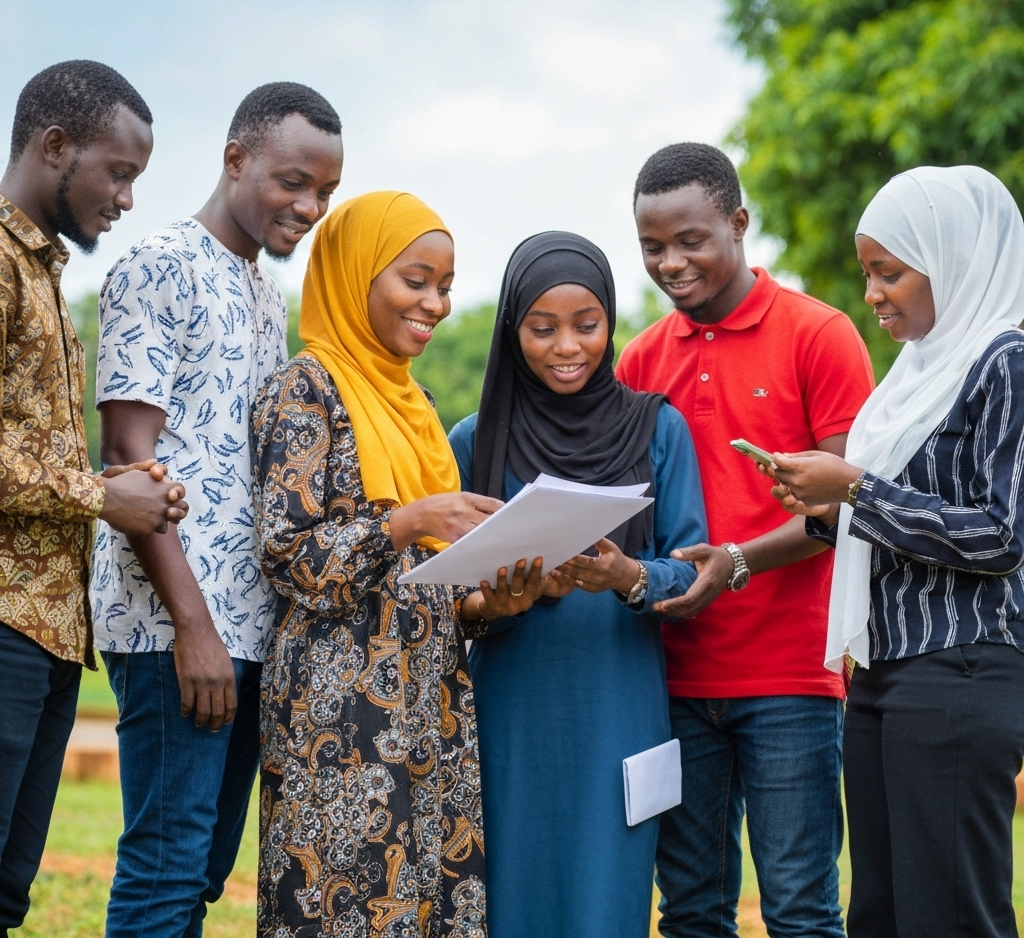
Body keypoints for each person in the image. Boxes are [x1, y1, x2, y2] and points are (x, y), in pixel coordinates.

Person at [89, 82, 344, 938]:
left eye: (325, 193)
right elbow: (129, 459)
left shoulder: (265, 295)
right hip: (174, 624)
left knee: (197, 875)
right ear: (235, 160)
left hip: (246, 627)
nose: (308, 207)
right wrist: (193, 626)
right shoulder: (158, 262)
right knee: (165, 868)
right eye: (292, 182)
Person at [252, 190, 541, 938]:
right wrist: (412, 519)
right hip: (335, 711)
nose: (436, 302)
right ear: (356, 274)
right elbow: (290, 558)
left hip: (428, 701)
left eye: (445, 286)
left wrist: (490, 606)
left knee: (427, 899)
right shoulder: (304, 390)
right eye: (416, 280)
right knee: (340, 901)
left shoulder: (416, 406)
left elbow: (427, 586)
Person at [616, 143, 875, 938]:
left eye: (690, 240)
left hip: (790, 677)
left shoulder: (819, 335)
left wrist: (736, 562)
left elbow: (844, 503)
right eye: (652, 246)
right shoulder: (640, 360)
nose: (671, 262)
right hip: (672, 678)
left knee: (800, 908)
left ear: (738, 223)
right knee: (691, 910)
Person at [769, 165, 1024, 938]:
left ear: (953, 260)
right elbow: (890, 517)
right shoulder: (912, 377)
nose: (874, 293)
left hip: (963, 664)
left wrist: (856, 491)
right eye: (868, 274)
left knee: (951, 914)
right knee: (881, 914)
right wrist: (826, 509)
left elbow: (1002, 536)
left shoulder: (1005, 362)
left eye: (891, 272)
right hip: (885, 672)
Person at [447, 231, 708, 938]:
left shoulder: (658, 429)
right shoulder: (475, 441)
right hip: (512, 709)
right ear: (513, 330)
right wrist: (506, 599)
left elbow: (691, 569)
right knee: (512, 894)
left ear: (610, 322)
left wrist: (628, 576)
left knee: (608, 897)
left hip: (620, 700)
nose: (567, 346)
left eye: (586, 326)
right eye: (542, 328)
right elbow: (447, 598)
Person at [0, 60, 189, 938]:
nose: (125, 198)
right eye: (118, 172)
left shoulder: (43, 276)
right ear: (54, 146)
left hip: (44, 629)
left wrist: (119, 489)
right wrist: (98, 497)